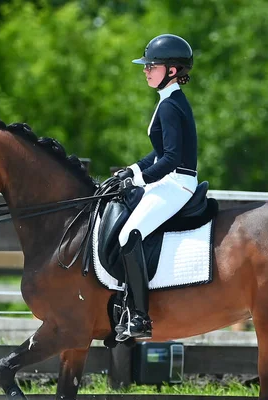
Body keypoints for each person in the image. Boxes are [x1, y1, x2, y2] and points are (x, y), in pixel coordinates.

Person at [113, 34, 198, 341]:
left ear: (172, 70)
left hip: (178, 182)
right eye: (146, 65)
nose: (146, 70)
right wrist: (132, 169)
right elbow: (159, 152)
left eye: (152, 65)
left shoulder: (170, 106)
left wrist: (138, 180)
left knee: (128, 234)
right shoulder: (169, 101)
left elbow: (172, 158)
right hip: (172, 179)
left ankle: (139, 316)